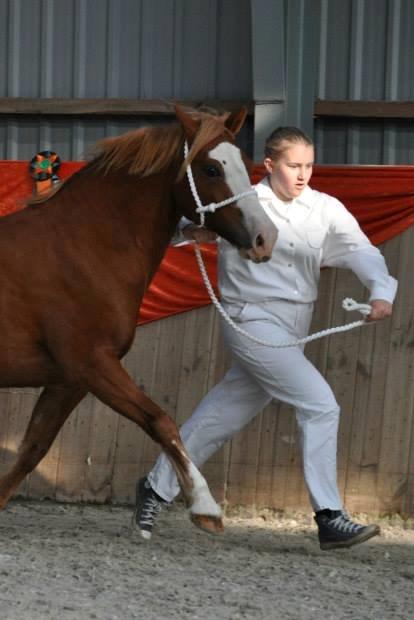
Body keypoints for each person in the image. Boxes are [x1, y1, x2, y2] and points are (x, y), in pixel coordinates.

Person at [134, 126, 396, 550]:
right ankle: (329, 516)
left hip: (294, 327)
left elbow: (359, 249)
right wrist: (193, 231)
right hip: (250, 320)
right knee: (320, 404)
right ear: (270, 166)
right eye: (294, 165)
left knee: (220, 416)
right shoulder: (239, 205)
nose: (303, 174)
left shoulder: (325, 208)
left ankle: (155, 487)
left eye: (309, 165)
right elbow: (179, 226)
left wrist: (380, 291)